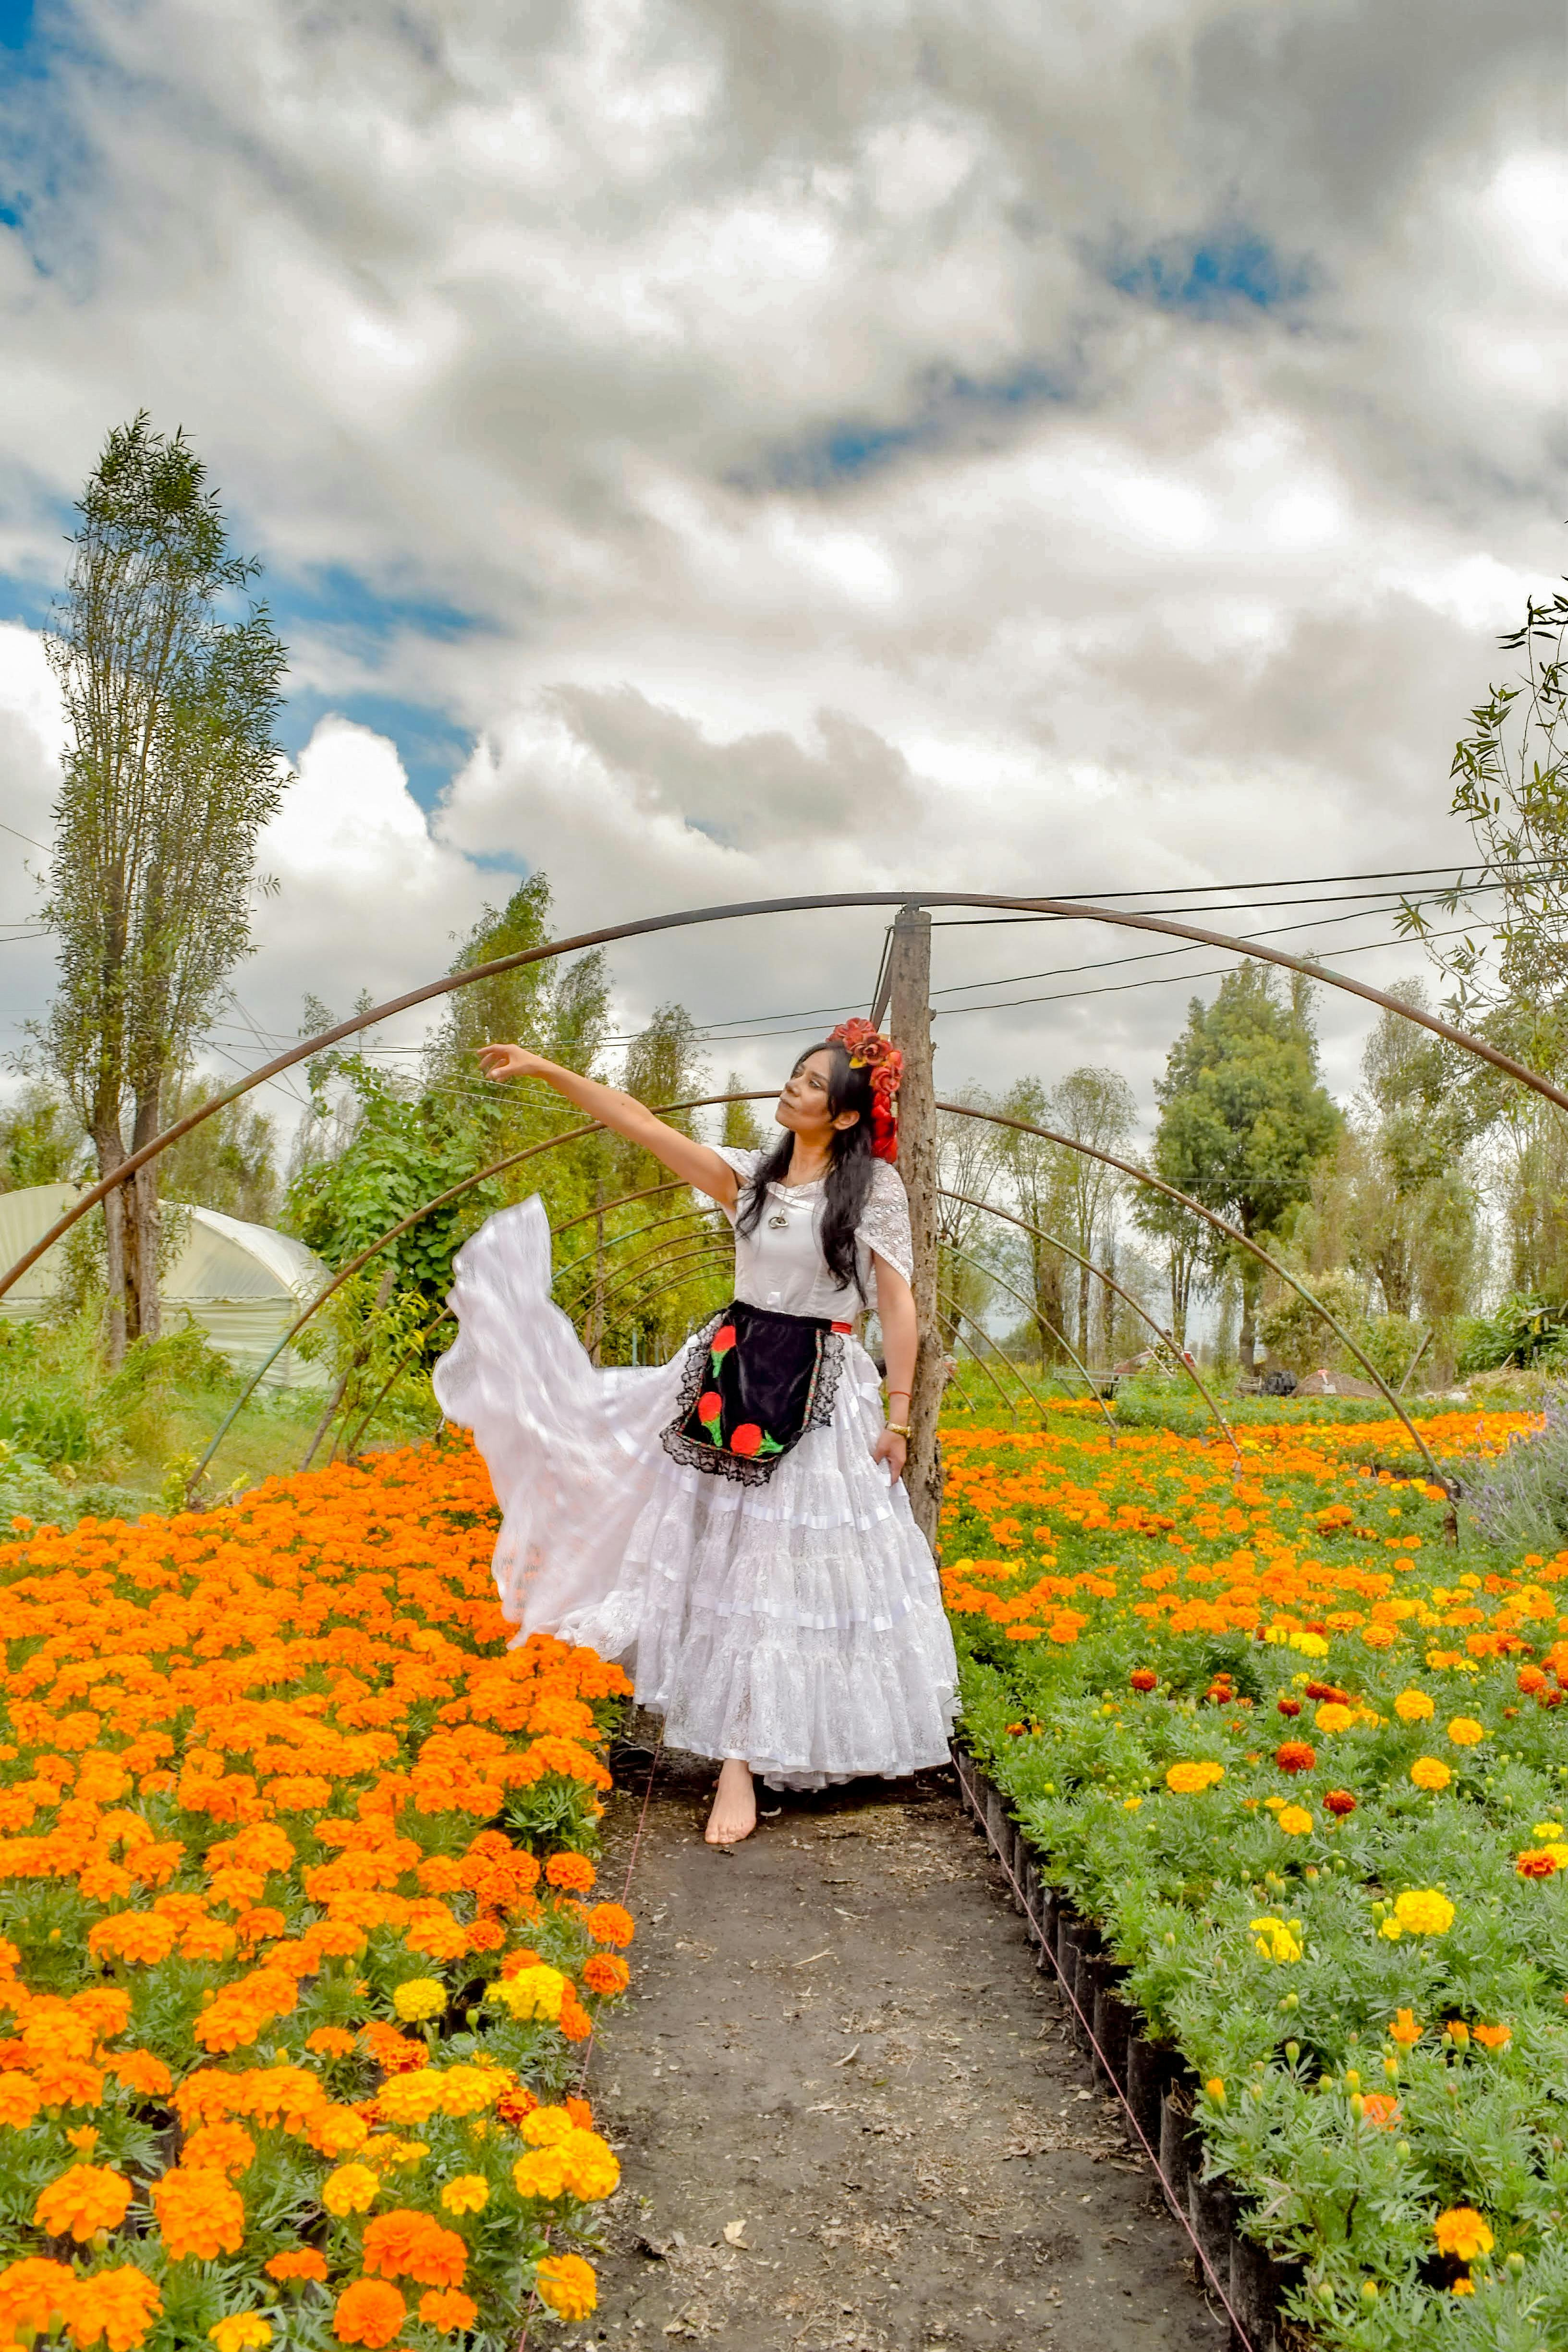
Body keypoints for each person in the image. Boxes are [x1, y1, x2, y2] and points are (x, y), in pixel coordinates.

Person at [432, 1019, 959, 1844]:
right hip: (729, 1374)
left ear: (848, 1116)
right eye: (796, 1073)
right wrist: (545, 1065)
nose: (793, 1086)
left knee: (778, 1570)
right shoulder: (750, 1179)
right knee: (721, 1557)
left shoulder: (873, 1194)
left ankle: (743, 1763)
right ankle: (736, 1758)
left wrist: (898, 1417)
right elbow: (640, 1122)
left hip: (819, 1389)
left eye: (814, 1083)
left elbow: (897, 1304)